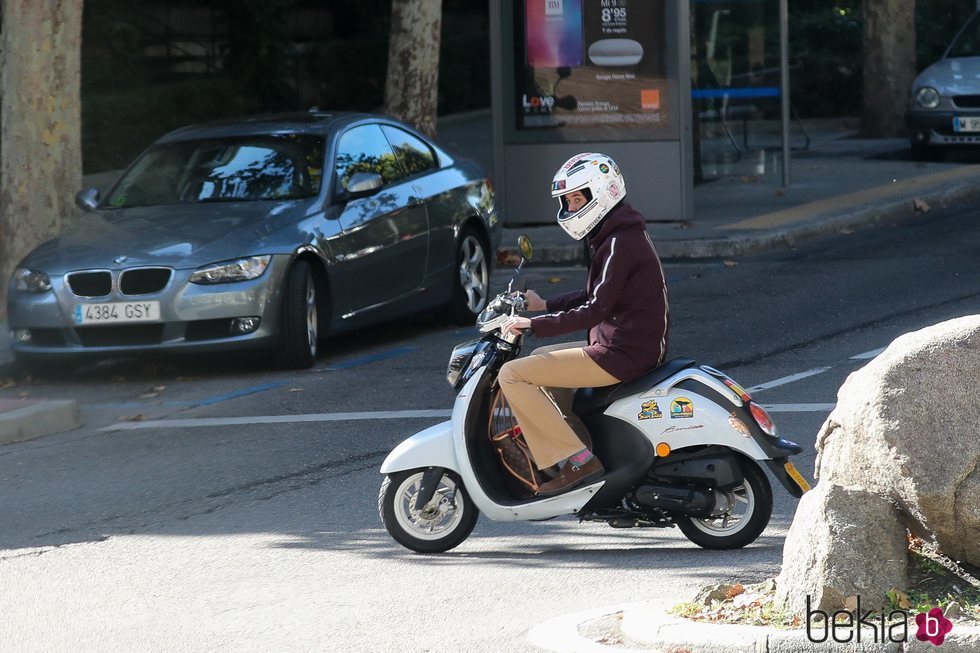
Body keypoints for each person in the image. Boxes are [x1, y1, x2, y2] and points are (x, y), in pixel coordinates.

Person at [498, 152, 670, 497]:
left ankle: (578, 460)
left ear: (602, 193)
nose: (572, 207)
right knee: (543, 359)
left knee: (513, 374)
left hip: (621, 353)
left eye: (577, 198)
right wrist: (544, 305)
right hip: (622, 345)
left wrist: (533, 324)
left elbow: (595, 309)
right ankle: (577, 445)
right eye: (568, 201)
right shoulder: (618, 234)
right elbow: (596, 294)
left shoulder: (621, 242)